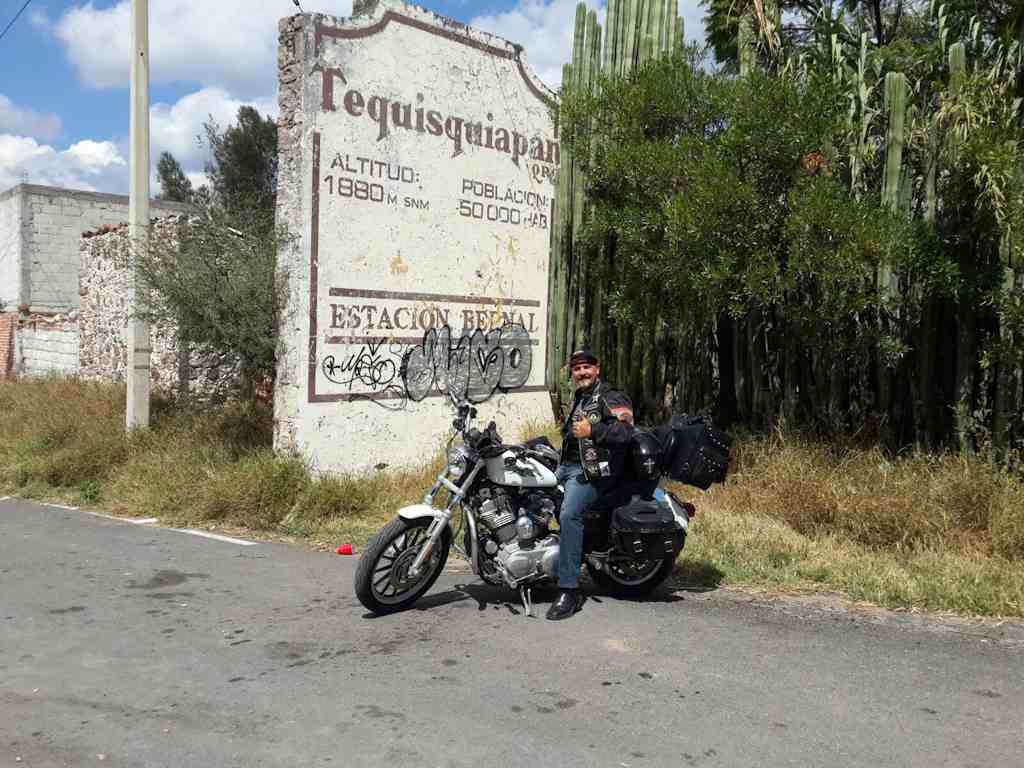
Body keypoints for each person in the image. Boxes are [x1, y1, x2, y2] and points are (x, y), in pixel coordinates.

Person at [547, 347, 634, 620]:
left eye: (586, 367)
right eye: (577, 368)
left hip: (594, 471)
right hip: (567, 467)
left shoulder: (611, 396)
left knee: (569, 514)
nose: (581, 372)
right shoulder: (580, 397)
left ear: (597, 369)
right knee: (531, 493)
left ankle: (569, 589)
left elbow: (626, 431)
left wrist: (593, 430)